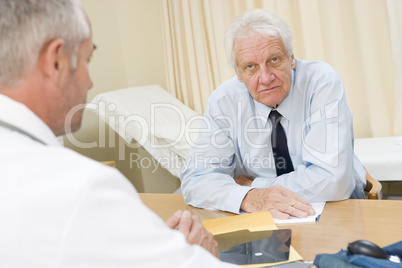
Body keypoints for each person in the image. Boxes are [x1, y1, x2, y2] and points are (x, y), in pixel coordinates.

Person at [0, 0, 238, 267]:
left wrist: (150, 247)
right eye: (87, 60)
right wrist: (196, 258)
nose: (90, 82)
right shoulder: (82, 188)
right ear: (57, 61)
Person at [180, 9, 366, 219]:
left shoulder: (321, 82)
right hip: (265, 222)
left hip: (338, 211)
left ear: (291, 59)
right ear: (239, 74)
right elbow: (196, 180)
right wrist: (249, 197)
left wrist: (256, 188)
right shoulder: (224, 101)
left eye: (274, 60)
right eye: (251, 66)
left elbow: (333, 181)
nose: (266, 77)